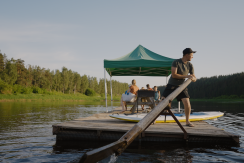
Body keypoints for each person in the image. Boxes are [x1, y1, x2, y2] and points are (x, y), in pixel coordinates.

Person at [161, 48, 197, 127]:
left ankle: (187, 121)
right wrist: (187, 76)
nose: (192, 57)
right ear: (186, 55)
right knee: (163, 102)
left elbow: (194, 78)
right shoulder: (176, 62)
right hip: (171, 85)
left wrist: (193, 78)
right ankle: (153, 119)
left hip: (182, 86)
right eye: (191, 55)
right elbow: (174, 75)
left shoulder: (190, 65)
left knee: (187, 102)